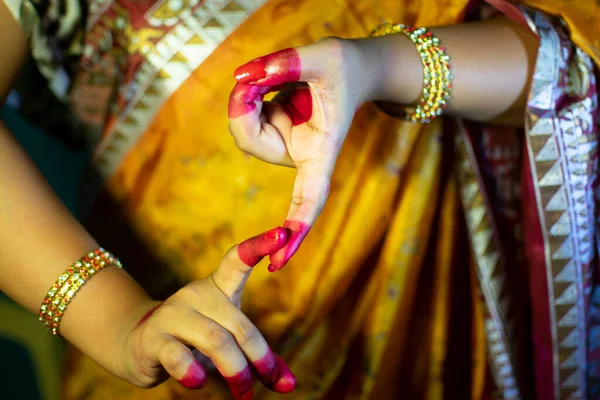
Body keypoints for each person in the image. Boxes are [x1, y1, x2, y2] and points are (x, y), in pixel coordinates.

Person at [1, 0, 598, 399]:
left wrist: (374, 65)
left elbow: (566, 73)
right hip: (201, 320)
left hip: (459, 314)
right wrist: (118, 321)